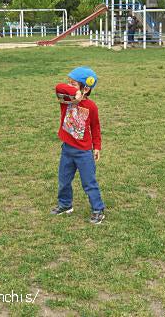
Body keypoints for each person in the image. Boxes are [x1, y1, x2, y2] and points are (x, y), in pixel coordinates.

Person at [52, 66, 105, 224]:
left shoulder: (91, 107)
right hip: (67, 149)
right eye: (70, 83)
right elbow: (59, 87)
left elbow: (95, 128)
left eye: (74, 84)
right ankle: (65, 205)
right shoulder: (66, 100)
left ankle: (98, 209)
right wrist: (74, 92)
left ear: (86, 88)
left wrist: (97, 147)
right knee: (64, 180)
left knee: (89, 183)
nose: (69, 86)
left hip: (83, 152)